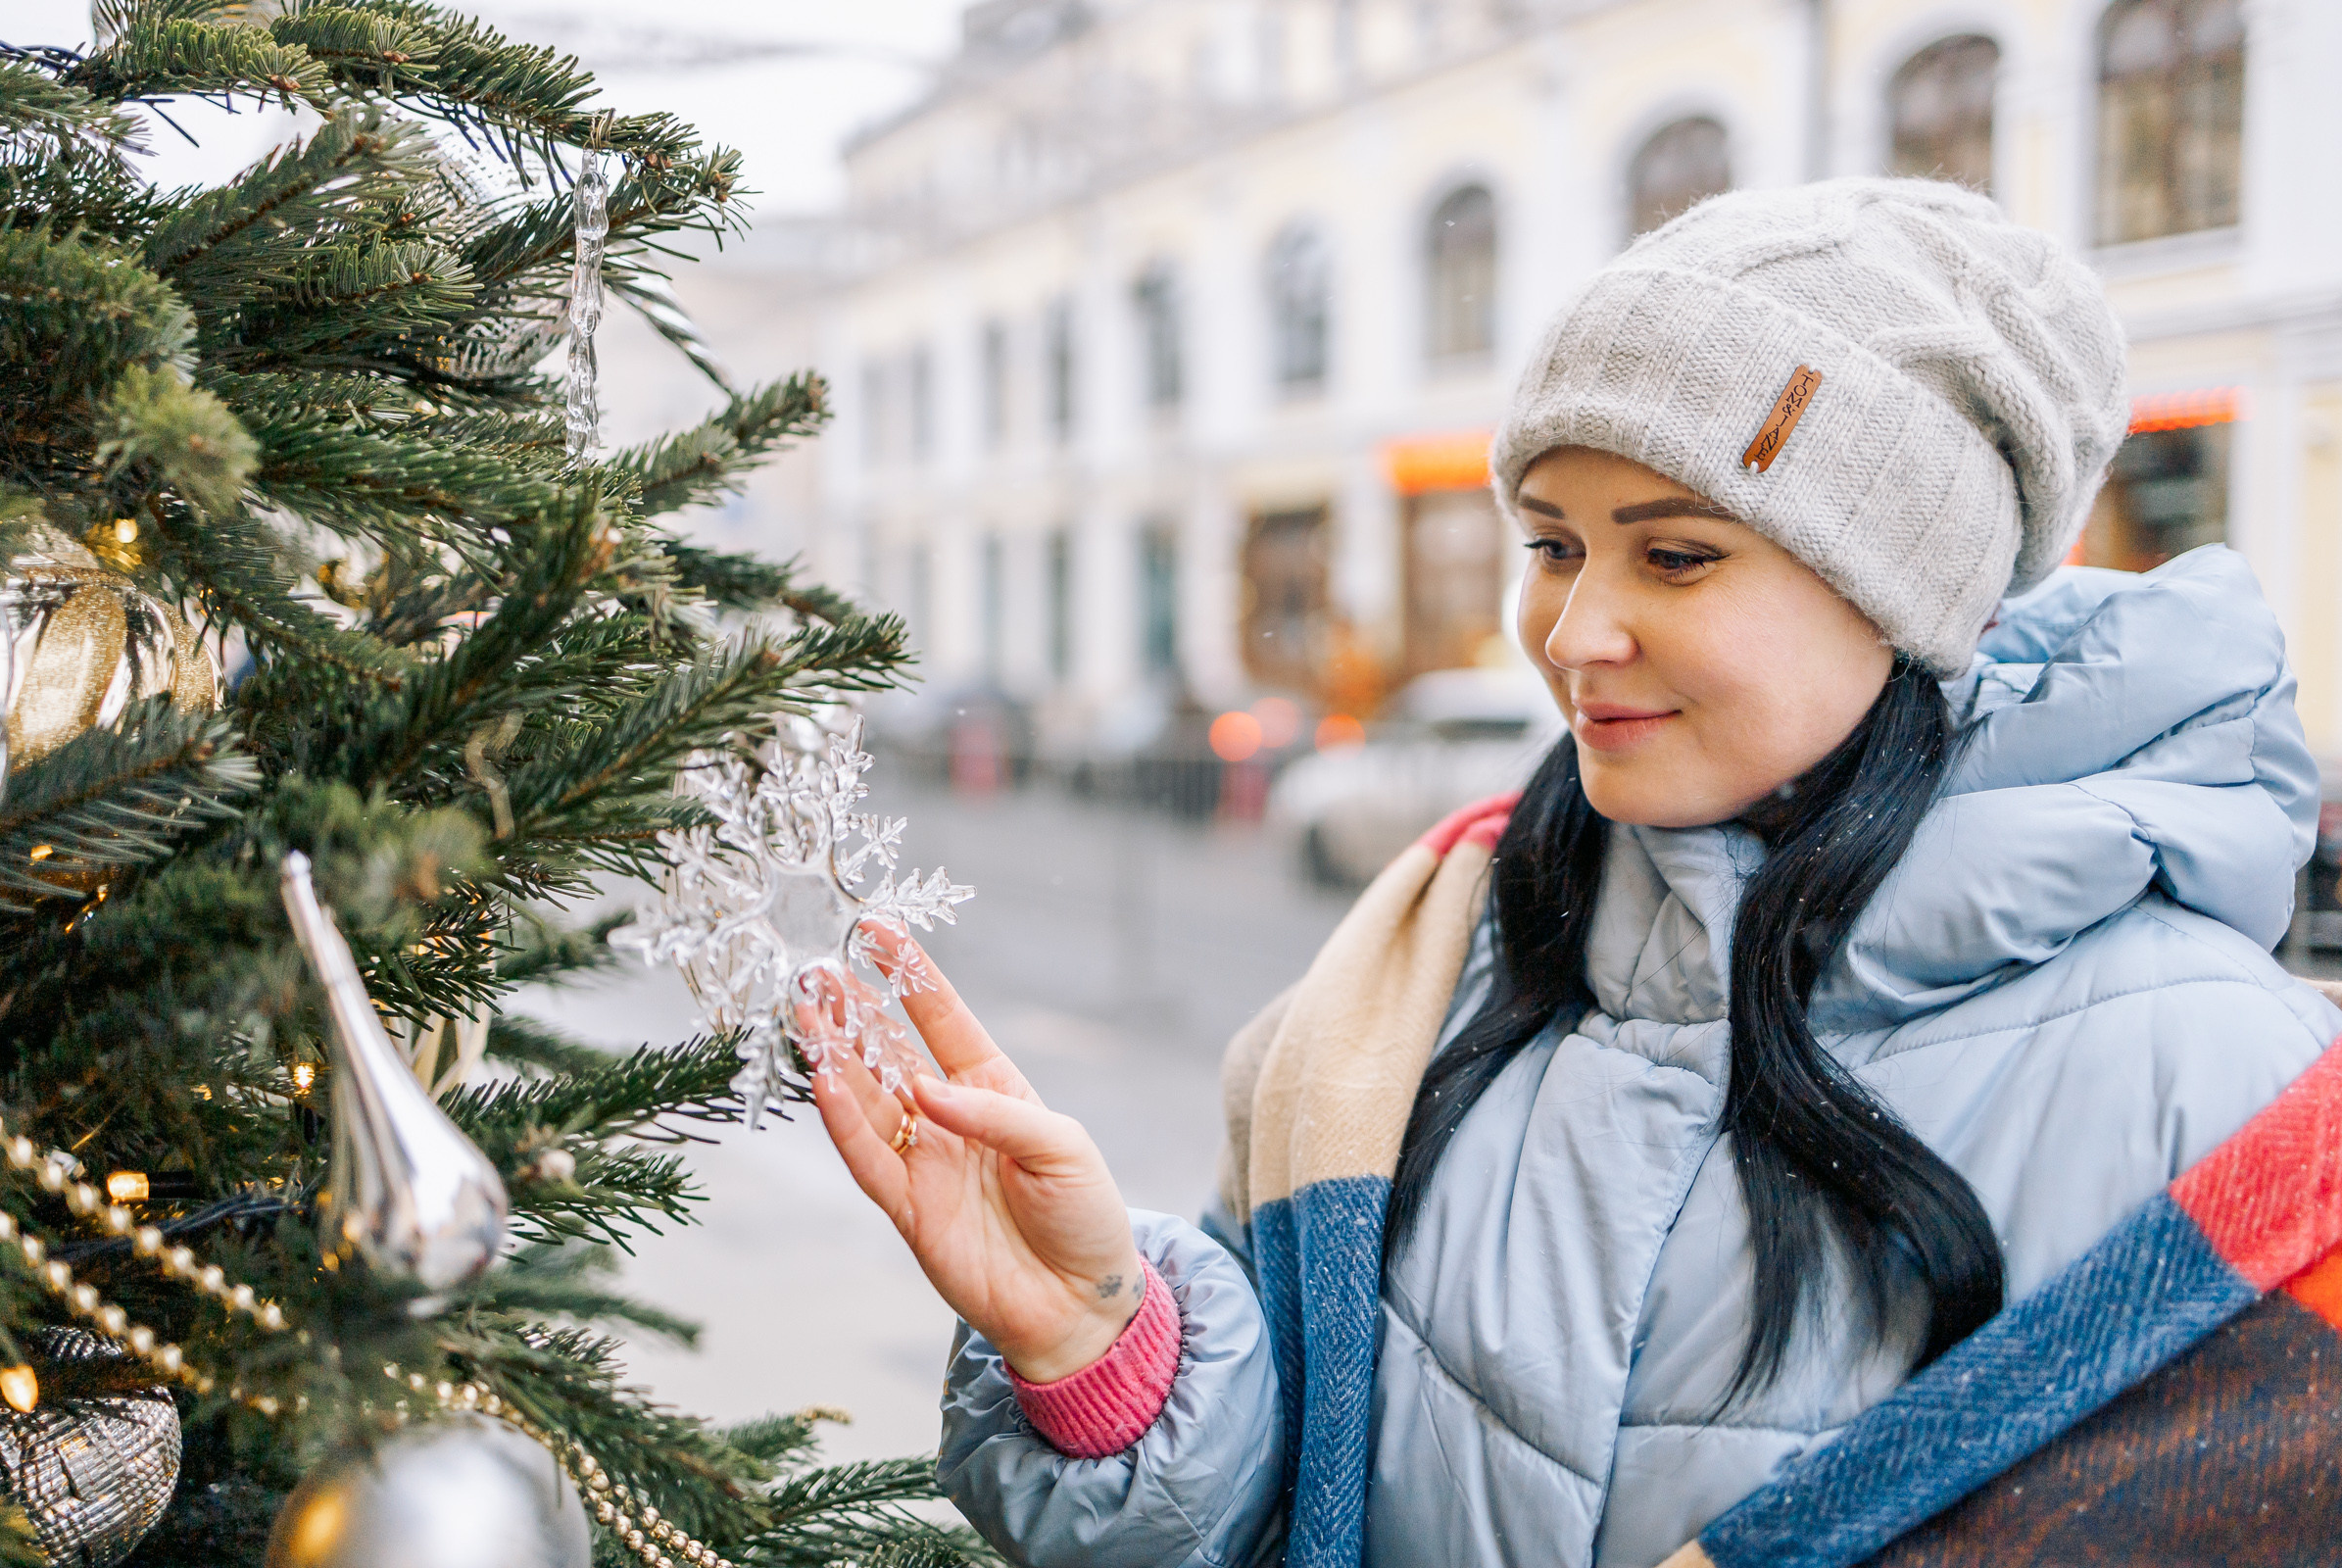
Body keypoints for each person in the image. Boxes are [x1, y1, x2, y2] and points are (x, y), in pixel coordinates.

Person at [809, 178, 2340, 1568]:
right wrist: (1101, 1345)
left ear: (1908, 593)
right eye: (1553, 545)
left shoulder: (2231, 1089)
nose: (1574, 633)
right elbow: (1295, 1506)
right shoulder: (1439, 962)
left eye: (1674, 557)